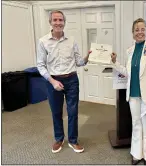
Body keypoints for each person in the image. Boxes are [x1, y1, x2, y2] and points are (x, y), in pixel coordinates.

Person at [111, 18, 146, 165]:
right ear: (133, 33)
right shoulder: (130, 50)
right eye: (136, 30)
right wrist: (114, 62)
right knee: (136, 124)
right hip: (133, 94)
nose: (139, 32)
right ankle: (136, 154)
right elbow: (127, 72)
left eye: (142, 29)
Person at [37, 10, 91, 154]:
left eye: (60, 20)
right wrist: (53, 81)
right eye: (55, 20)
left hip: (72, 79)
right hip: (53, 80)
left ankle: (73, 140)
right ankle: (59, 138)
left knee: (73, 112)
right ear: (50, 22)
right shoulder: (43, 42)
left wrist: (88, 57)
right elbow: (40, 65)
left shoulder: (72, 41)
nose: (58, 23)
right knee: (56, 112)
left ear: (64, 22)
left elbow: (79, 62)